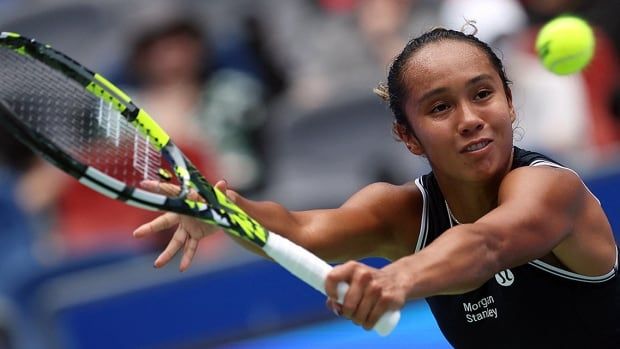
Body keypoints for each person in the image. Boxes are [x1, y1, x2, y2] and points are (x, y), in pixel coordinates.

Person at [132, 24, 619, 348]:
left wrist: (397, 279)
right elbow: (299, 228)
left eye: (483, 94)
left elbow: (487, 244)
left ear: (510, 104)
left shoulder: (555, 191)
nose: (471, 119)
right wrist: (223, 210)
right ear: (407, 137)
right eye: (440, 108)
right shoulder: (399, 213)